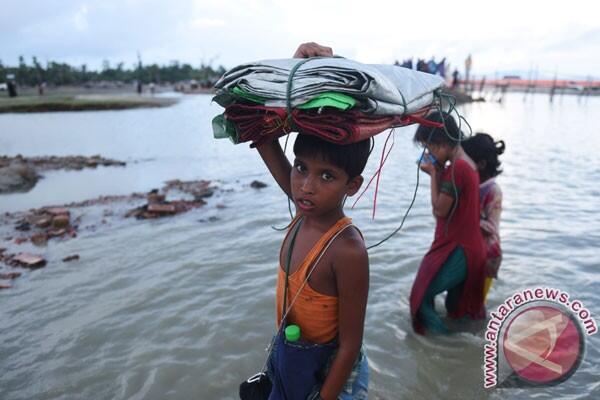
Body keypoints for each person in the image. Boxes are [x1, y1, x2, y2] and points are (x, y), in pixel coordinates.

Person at [256, 42, 371, 400]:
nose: (306, 185)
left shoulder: (346, 250)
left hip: (330, 374)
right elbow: (262, 136)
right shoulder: (303, 204)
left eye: (327, 176)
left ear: (352, 185)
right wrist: (294, 70)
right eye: (301, 167)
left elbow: (350, 345)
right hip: (291, 354)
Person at [409, 111, 487, 334]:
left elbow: (440, 210)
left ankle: (439, 344)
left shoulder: (458, 169)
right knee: (457, 310)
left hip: (460, 248)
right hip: (470, 247)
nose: (429, 152)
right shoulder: (465, 164)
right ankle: (456, 357)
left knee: (420, 296)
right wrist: (438, 171)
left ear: (441, 143)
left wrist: (433, 173)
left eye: (429, 146)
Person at [462, 133, 505, 303]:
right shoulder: (474, 186)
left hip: (488, 255)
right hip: (473, 252)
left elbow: (492, 227)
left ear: (481, 164)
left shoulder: (493, 191)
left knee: (477, 302)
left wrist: (469, 218)